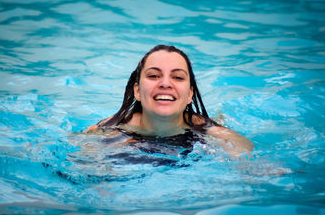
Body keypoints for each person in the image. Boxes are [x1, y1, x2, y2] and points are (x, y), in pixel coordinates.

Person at [85, 45, 253, 156]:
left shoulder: (208, 130)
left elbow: (247, 156)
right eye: (153, 75)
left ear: (189, 95)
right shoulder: (110, 130)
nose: (165, 83)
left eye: (178, 77)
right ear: (137, 91)